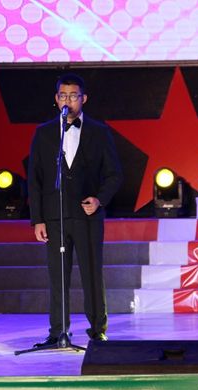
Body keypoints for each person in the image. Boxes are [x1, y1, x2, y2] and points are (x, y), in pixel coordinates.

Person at [27, 73, 123, 346]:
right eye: (63, 96)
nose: (68, 101)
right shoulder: (44, 133)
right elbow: (34, 178)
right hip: (55, 217)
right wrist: (38, 219)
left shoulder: (99, 132)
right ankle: (58, 331)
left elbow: (114, 174)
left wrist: (99, 200)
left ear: (84, 98)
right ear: (56, 99)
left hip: (87, 216)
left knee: (92, 273)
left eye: (73, 96)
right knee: (58, 276)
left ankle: (97, 330)